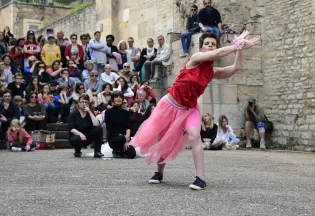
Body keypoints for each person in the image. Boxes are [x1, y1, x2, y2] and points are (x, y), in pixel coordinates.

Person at [130, 31, 260, 190]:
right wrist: (237, 44)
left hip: (189, 108)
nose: (211, 46)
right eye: (207, 44)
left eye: (213, 44)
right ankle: (159, 172)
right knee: (164, 137)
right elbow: (219, 53)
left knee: (194, 135)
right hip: (170, 105)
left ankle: (200, 178)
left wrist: (240, 48)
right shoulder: (195, 59)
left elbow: (236, 67)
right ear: (201, 48)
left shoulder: (212, 72)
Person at [68, 94, 104, 158]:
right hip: (77, 136)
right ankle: (77, 151)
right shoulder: (73, 114)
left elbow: (96, 124)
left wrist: (89, 111)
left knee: (99, 129)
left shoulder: (90, 113)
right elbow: (71, 128)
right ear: (79, 103)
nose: (84, 104)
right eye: (82, 102)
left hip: (88, 136)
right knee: (76, 139)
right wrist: (80, 134)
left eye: (86, 102)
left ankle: (97, 152)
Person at [105, 91, 136, 159]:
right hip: (114, 138)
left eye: (120, 97)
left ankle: (121, 150)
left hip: (125, 138)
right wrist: (123, 138)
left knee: (132, 154)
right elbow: (109, 128)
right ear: (113, 99)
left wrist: (127, 138)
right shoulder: (108, 112)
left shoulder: (126, 112)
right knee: (120, 138)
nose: (118, 99)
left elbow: (128, 127)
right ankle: (115, 150)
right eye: (116, 97)